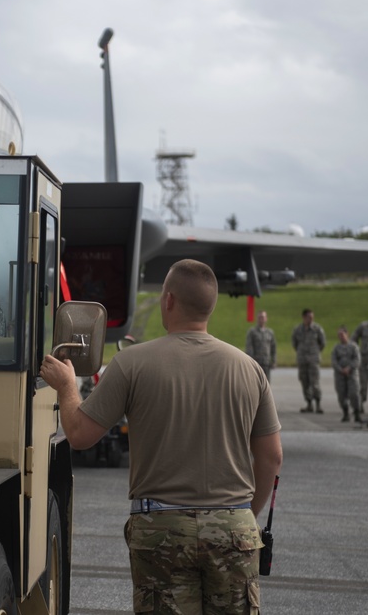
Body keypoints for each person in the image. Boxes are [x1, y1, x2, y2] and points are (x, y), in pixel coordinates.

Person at [39, 259, 282, 614]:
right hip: (233, 526)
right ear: (210, 305)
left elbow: (79, 434)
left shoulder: (132, 363)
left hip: (161, 529)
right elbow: (272, 456)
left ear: (168, 300)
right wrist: (242, 517)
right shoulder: (249, 369)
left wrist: (65, 386)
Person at [292, 308, 326, 413]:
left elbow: (322, 343)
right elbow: (295, 344)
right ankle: (309, 404)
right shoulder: (298, 330)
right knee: (304, 382)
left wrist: (314, 353)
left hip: (313, 360)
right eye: (309, 317)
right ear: (304, 317)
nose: (311, 319)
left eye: (312, 317)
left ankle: (318, 404)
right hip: (302, 361)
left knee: (315, 382)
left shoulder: (317, 329)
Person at [331, 326, 362, 423]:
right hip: (340, 375)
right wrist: (340, 369)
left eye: (342, 334)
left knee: (354, 394)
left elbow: (357, 359)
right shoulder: (336, 348)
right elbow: (334, 360)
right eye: (339, 335)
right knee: (341, 395)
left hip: (352, 374)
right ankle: (345, 413)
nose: (341, 337)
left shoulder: (353, 346)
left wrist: (349, 368)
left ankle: (357, 412)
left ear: (347, 334)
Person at [245, 310, 277, 382]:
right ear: (257, 318)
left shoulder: (270, 332)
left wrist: (274, 361)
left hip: (266, 363)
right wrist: (251, 362)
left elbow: (273, 347)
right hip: (256, 363)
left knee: (267, 384)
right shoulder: (252, 332)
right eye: (260, 317)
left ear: (266, 319)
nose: (261, 319)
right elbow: (249, 347)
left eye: (263, 317)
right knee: (256, 383)